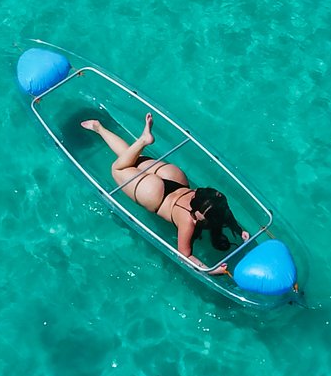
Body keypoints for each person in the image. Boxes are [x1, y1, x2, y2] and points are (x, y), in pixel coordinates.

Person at [81, 112, 250, 275]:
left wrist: (238, 228)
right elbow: (185, 255)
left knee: (130, 159)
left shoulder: (210, 199)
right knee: (118, 167)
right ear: (198, 215)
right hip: (153, 195)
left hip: (174, 179)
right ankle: (138, 138)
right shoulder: (188, 221)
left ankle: (101, 128)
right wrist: (211, 270)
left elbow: (220, 209)